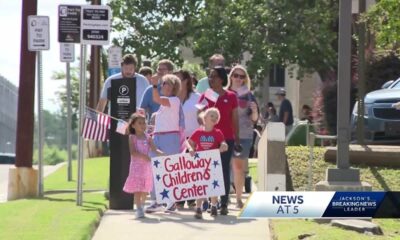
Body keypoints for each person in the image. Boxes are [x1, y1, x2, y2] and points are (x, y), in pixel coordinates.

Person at [198, 66, 239, 215]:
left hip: (226, 138)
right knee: (209, 171)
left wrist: (237, 138)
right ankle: (211, 202)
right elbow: (199, 115)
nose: (211, 79)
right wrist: (203, 118)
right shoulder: (205, 95)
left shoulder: (231, 96)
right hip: (208, 138)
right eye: (210, 76)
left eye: (214, 76)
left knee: (222, 170)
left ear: (221, 79)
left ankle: (224, 203)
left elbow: (234, 119)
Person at [186, 108, 228, 219]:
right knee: (201, 187)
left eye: (216, 116)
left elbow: (223, 142)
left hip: (212, 163)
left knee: (213, 186)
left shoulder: (217, 133)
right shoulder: (198, 132)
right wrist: (191, 149)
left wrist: (224, 145)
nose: (214, 118)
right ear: (204, 118)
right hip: (200, 164)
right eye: (211, 115)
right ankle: (198, 208)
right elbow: (189, 142)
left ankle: (213, 205)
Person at [149, 74, 182, 212]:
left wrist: (154, 84)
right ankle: (157, 200)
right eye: (164, 84)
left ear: (174, 87)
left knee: (170, 170)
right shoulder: (165, 104)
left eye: (168, 83)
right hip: (158, 137)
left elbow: (155, 98)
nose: (165, 86)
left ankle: (171, 201)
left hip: (170, 138)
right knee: (155, 170)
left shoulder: (174, 100)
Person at [227, 65, 258, 209]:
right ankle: (224, 198)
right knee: (223, 167)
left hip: (243, 135)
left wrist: (255, 111)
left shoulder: (249, 95)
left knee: (238, 168)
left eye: (242, 76)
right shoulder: (224, 93)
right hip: (225, 134)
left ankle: (239, 198)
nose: (238, 79)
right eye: (236, 75)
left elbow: (255, 119)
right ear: (231, 77)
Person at [123, 112, 164, 218]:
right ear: (133, 125)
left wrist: (161, 153)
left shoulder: (148, 137)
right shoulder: (132, 137)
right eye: (139, 123)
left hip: (146, 166)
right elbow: (133, 152)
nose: (142, 125)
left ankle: (141, 205)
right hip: (136, 166)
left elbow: (154, 149)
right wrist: (144, 156)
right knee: (138, 188)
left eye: (144, 123)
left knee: (145, 188)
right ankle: (139, 208)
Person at [175, 69, 200, 210]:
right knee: (179, 170)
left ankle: (190, 198)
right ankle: (180, 198)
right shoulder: (172, 98)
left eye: (177, 78)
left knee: (190, 170)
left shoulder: (197, 97)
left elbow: (203, 116)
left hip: (193, 137)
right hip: (176, 137)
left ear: (185, 80)